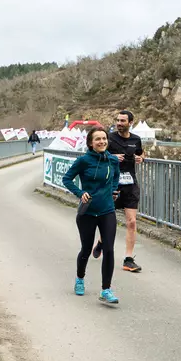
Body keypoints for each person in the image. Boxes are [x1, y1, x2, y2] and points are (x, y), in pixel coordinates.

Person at [61, 127, 121, 304]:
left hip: (107, 210)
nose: (102, 142)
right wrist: (80, 193)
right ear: (90, 143)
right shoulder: (83, 161)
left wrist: (113, 190)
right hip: (87, 212)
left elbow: (116, 177)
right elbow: (67, 179)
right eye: (98, 139)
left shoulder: (112, 160)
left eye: (104, 139)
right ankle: (80, 278)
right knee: (86, 249)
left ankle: (106, 290)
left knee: (109, 249)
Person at [93, 110, 144, 272]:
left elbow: (140, 152)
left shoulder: (136, 139)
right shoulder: (109, 138)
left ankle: (128, 259)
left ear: (130, 123)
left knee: (132, 222)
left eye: (123, 121)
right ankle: (101, 241)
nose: (119, 123)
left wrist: (141, 158)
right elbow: (97, 154)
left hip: (130, 185)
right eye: (118, 120)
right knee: (109, 220)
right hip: (112, 185)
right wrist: (112, 157)